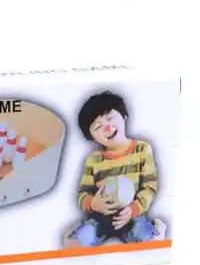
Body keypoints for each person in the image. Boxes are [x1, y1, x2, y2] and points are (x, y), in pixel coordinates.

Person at [64, 91, 166, 247]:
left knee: (148, 242)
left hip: (132, 215)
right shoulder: (94, 159)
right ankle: (76, 232)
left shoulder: (141, 149)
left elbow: (149, 186)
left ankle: (156, 228)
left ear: (124, 116)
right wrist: (93, 204)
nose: (107, 128)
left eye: (110, 118)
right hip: (99, 217)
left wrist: (133, 209)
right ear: (91, 136)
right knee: (75, 245)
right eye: (98, 126)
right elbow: (82, 193)